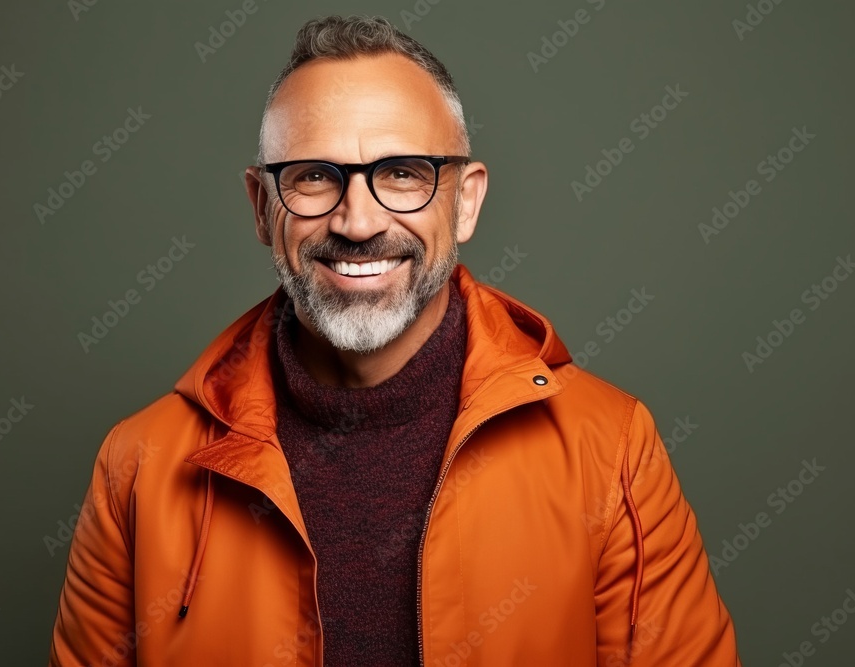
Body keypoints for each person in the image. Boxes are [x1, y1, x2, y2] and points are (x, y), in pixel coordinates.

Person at [49, 15, 740, 666]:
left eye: (402, 173)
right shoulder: (138, 468)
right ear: (263, 207)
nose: (357, 220)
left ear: (465, 200)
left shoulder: (611, 449)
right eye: (314, 176)